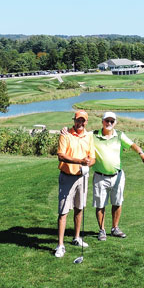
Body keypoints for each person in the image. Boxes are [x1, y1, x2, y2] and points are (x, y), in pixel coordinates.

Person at [90, 111, 144, 241]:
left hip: (117, 175)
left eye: (112, 121)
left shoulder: (120, 135)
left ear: (115, 123)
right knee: (100, 204)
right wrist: (67, 130)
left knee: (117, 202)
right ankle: (102, 230)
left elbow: (132, 145)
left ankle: (115, 228)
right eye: (107, 121)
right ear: (102, 121)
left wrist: (142, 153)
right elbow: (79, 135)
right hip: (100, 176)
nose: (109, 123)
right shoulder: (93, 135)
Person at [55, 110, 95, 258]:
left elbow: (93, 157)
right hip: (67, 176)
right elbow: (61, 156)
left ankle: (76, 238)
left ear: (86, 122)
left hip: (82, 177)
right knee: (63, 211)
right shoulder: (65, 135)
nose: (81, 123)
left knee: (79, 208)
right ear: (74, 120)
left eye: (83, 121)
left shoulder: (89, 136)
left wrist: (89, 163)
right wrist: (80, 161)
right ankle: (60, 245)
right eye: (78, 120)